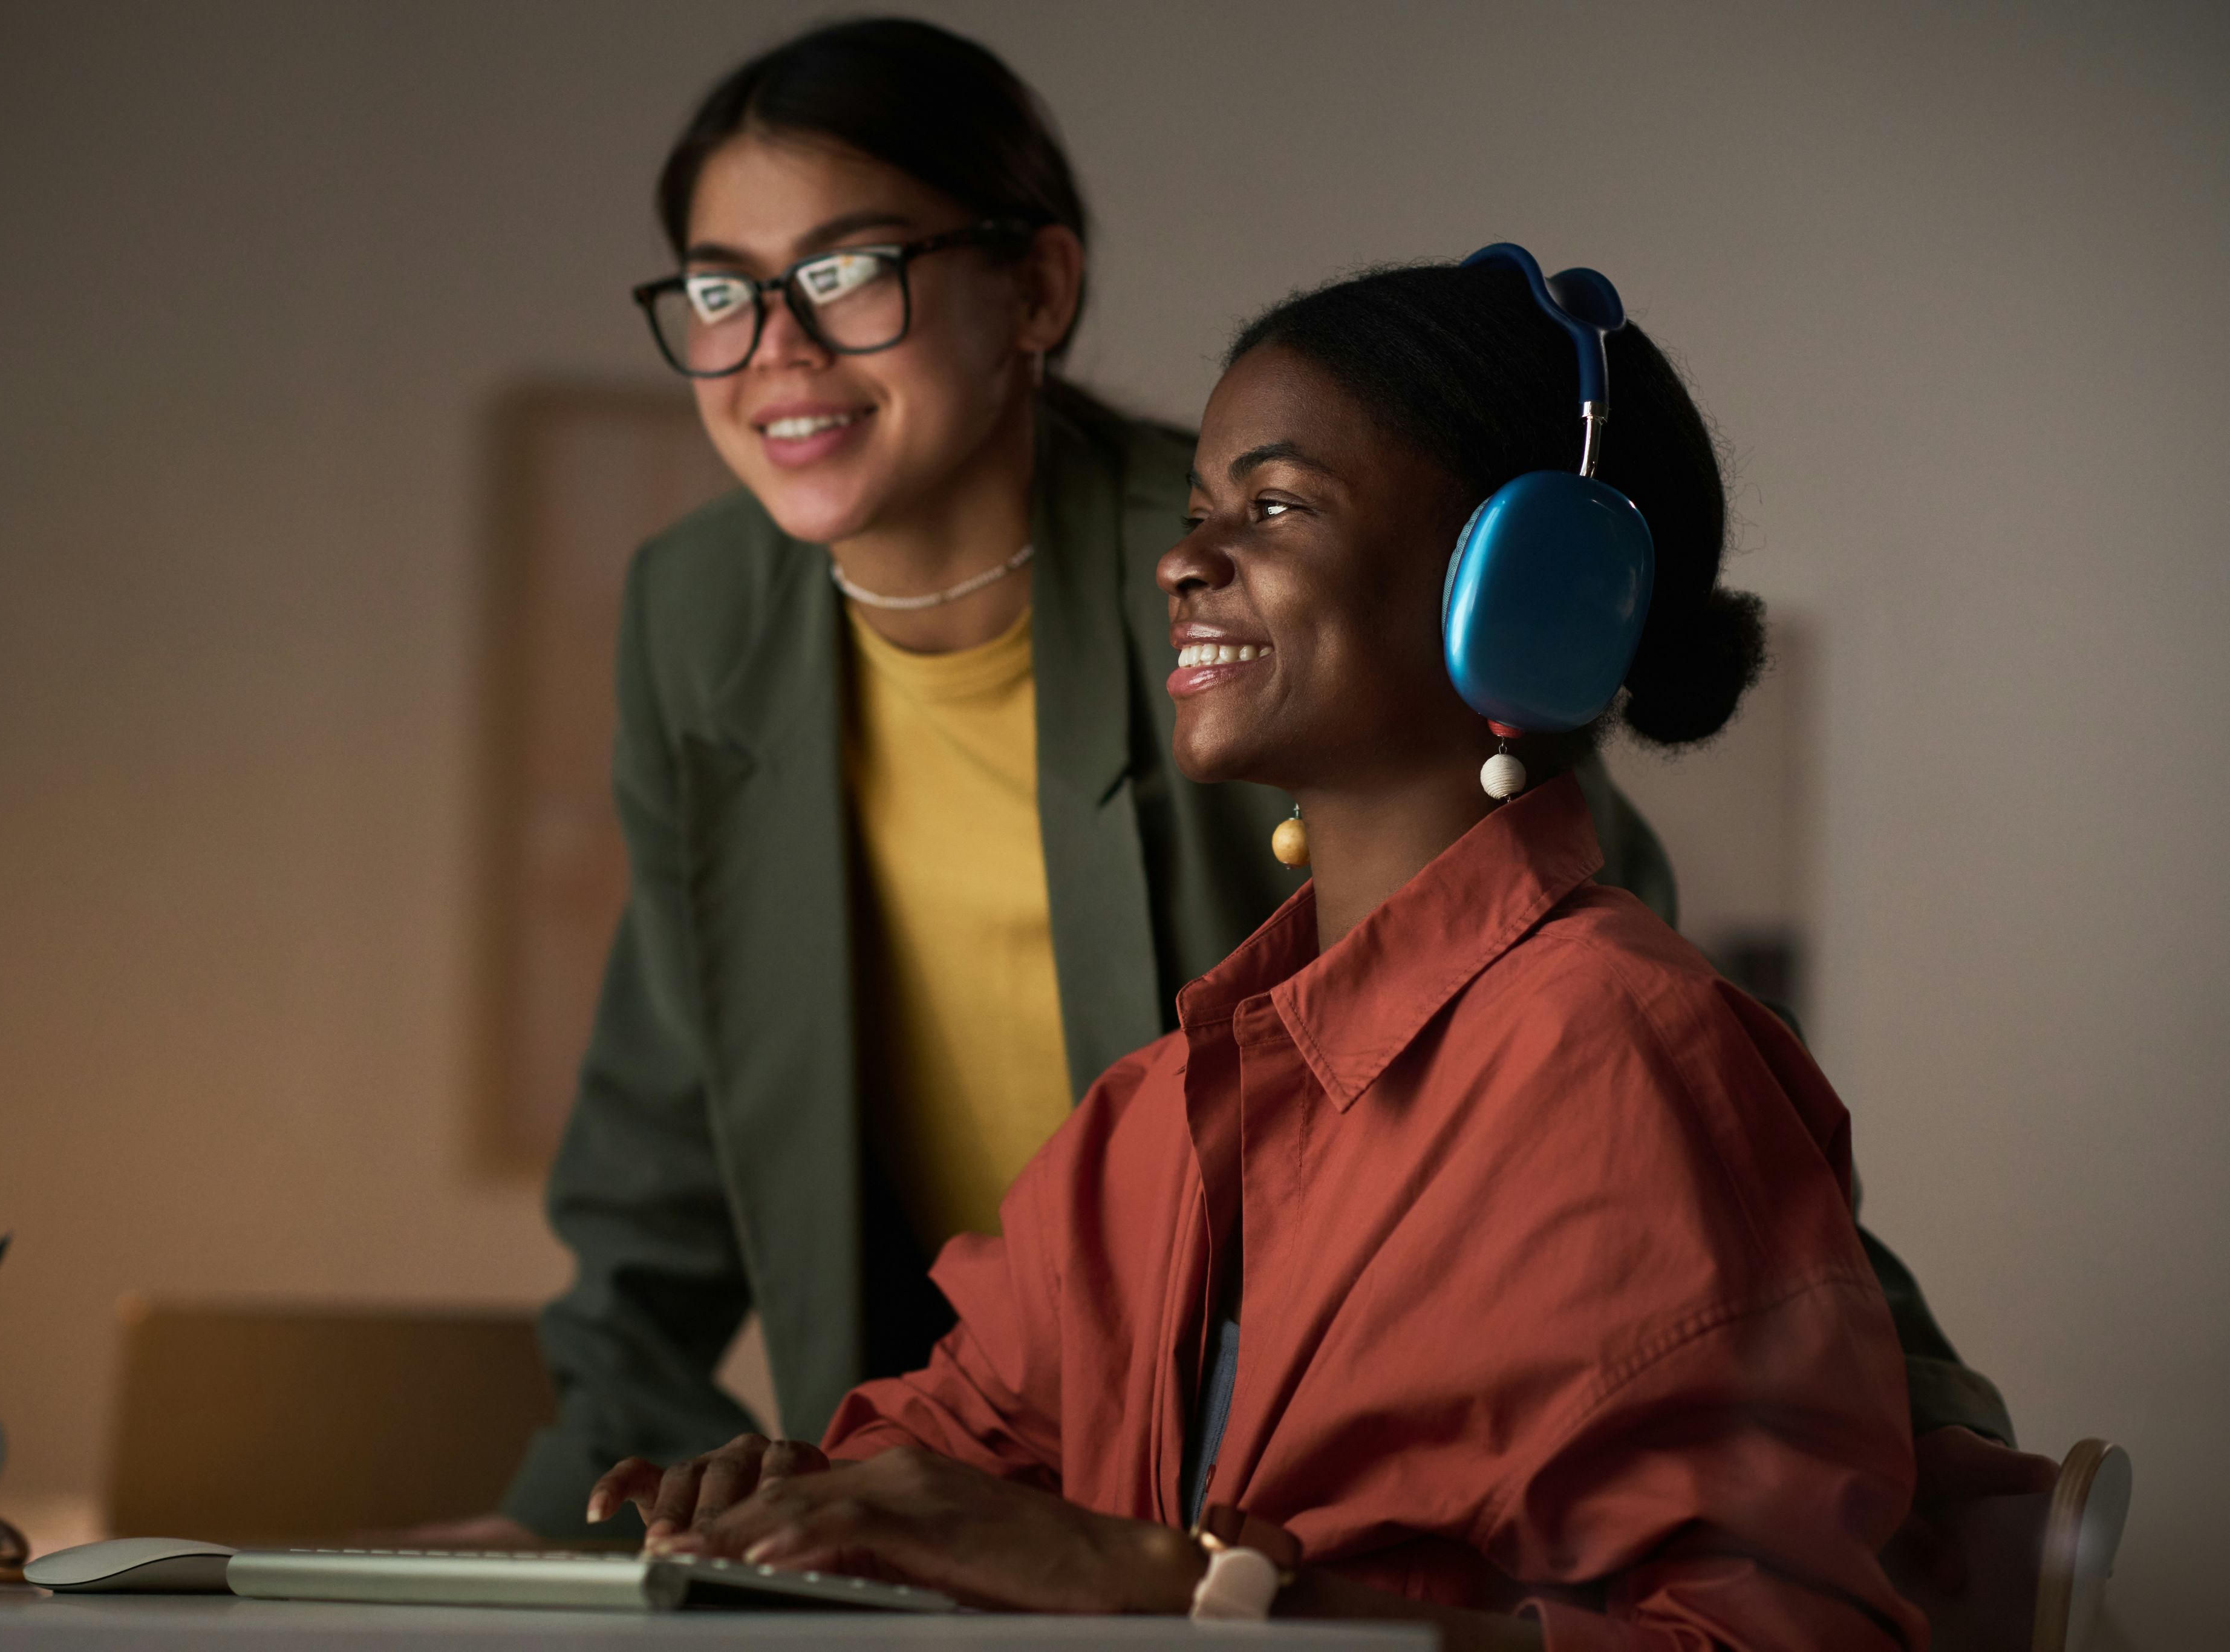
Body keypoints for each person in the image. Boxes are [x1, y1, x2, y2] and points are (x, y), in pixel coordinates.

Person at [466, 18, 2008, 1547]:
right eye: (720, 291)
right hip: (1055, 1444)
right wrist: (595, 1523)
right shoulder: (706, 625)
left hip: (1287, 1469)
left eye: (847, 271)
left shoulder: (1295, 622)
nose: (773, 347)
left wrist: (1940, 1491)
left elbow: (1593, 1049)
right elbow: (664, 1121)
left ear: (1035, 289)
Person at [590, 261, 1927, 1647]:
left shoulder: (1617, 1049)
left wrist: (1167, 1583)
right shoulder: (1161, 1110)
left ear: (1521, 585)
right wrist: (798, 1503)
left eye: (1275, 506)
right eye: (1194, 514)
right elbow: (949, 1459)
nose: (1181, 562)